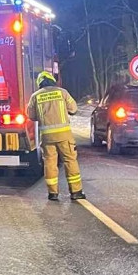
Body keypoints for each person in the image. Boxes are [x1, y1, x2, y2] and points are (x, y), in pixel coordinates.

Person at [26, 71, 84, 201]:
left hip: (47, 138)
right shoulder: (62, 92)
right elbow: (73, 109)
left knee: (50, 163)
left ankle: (53, 193)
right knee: (70, 161)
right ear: (53, 80)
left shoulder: (35, 96)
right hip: (64, 136)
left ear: (39, 83)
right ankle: (76, 192)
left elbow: (31, 116)